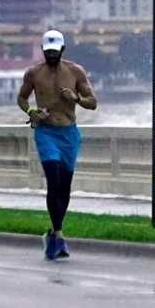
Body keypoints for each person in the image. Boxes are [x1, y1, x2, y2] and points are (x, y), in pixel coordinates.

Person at [17, 29, 96, 260]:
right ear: (43, 50)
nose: (51, 55)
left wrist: (76, 98)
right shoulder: (34, 73)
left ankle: (52, 233)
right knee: (53, 180)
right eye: (47, 51)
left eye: (55, 51)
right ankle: (60, 237)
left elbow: (93, 102)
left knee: (64, 188)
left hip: (69, 134)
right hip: (46, 132)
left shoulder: (75, 71)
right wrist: (32, 112)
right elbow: (22, 98)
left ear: (62, 50)